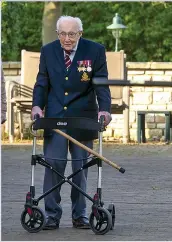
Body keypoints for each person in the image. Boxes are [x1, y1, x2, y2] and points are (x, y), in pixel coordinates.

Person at [31, 16, 112, 230]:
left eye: (72, 34)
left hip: (83, 119)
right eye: (63, 34)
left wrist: (105, 109)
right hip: (55, 118)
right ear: (58, 34)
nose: (67, 39)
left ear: (80, 33)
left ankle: (80, 215)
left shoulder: (95, 51)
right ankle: (51, 215)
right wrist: (37, 106)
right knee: (54, 164)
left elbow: (101, 83)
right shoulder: (48, 51)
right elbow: (42, 82)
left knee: (80, 167)